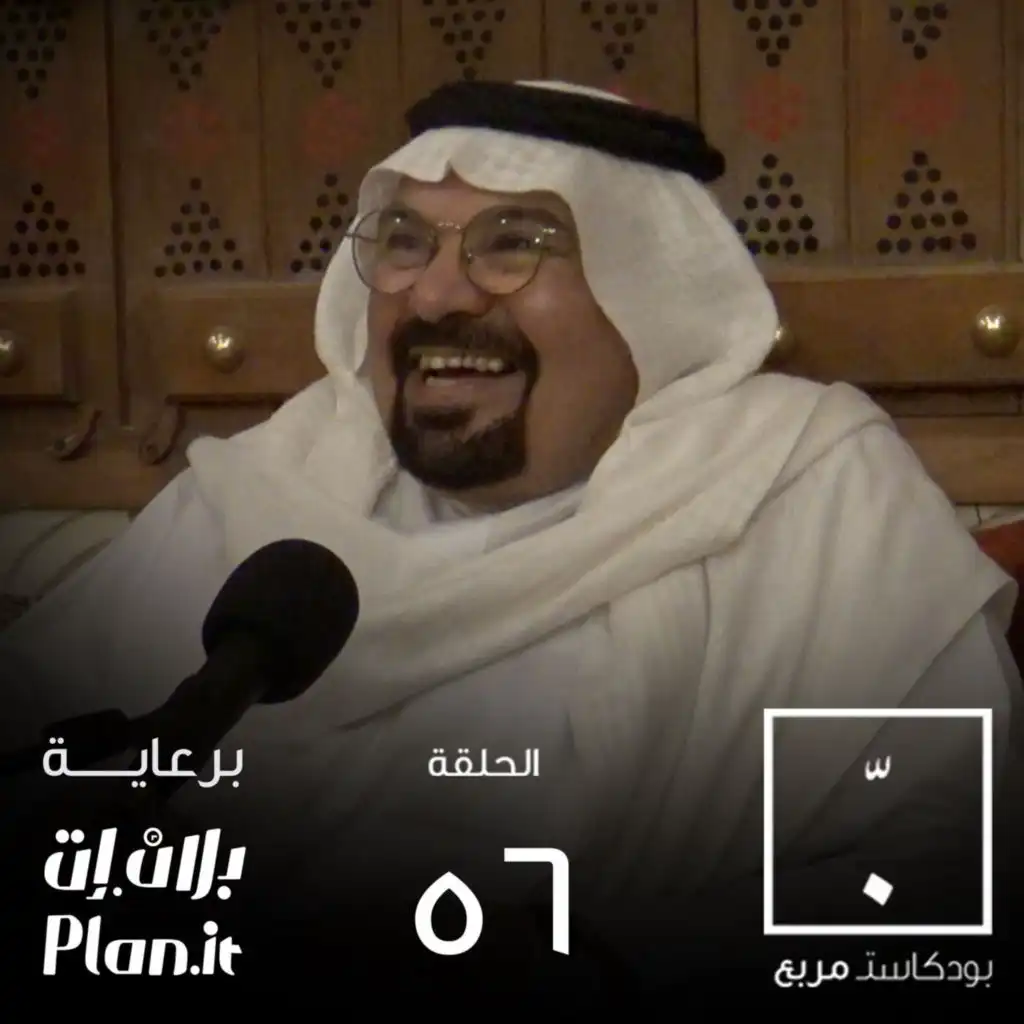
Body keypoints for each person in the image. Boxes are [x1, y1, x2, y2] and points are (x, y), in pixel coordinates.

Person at [0, 79, 1020, 1002]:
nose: (435, 293)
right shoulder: (268, 488)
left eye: (512, 243)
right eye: (405, 242)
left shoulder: (805, 487)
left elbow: (940, 885)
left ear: (650, 296)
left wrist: (606, 967)